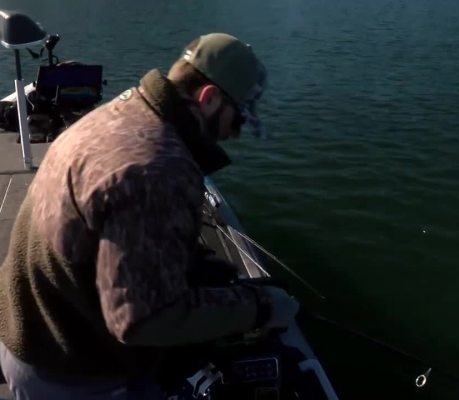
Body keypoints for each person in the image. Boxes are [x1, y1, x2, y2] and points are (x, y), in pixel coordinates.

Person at [0, 33, 298, 399]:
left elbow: (113, 230)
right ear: (208, 98)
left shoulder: (123, 114)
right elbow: (143, 320)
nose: (233, 134)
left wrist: (195, 265)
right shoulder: (158, 170)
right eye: (236, 120)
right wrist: (260, 308)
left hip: (32, 331)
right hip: (69, 370)